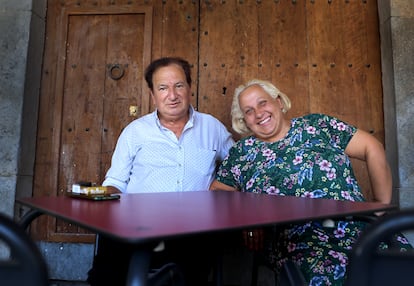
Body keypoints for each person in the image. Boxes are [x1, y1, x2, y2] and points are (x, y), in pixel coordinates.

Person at [210, 79, 412, 285]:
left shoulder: (318, 125)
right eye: (249, 111)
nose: (259, 113)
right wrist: (248, 218)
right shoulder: (243, 152)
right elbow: (218, 191)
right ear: (244, 120)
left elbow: (372, 147)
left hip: (359, 228)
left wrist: (380, 204)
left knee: (403, 269)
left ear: (278, 101)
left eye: (263, 103)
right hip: (300, 242)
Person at [87, 57, 234, 286]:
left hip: (193, 228)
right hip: (136, 223)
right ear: (153, 95)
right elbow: (116, 181)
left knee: (191, 270)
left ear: (189, 88)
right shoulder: (135, 131)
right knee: (108, 271)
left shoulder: (212, 128)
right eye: (163, 88)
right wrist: (100, 201)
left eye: (179, 86)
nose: (172, 95)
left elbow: (238, 168)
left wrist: (228, 189)